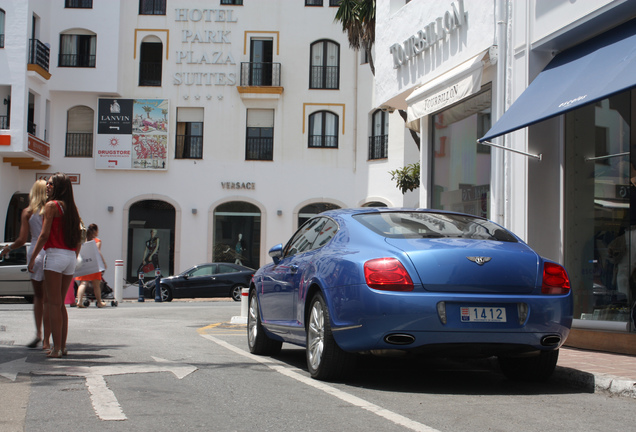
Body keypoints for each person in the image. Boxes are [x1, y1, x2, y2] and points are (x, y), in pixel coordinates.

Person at [29, 173, 82, 359]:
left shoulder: (51, 206)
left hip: (54, 255)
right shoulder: (71, 209)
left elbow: (44, 235)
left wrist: (32, 257)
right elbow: (79, 236)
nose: (48, 186)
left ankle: (57, 348)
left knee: (52, 304)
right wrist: (73, 256)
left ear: (58, 187)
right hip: (69, 256)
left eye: (51, 184)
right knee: (61, 305)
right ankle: (63, 346)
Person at [1, 180, 50, 350]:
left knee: (38, 296)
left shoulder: (27, 212)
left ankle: (38, 333)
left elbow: (22, 239)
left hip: (34, 252)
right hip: (50, 251)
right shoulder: (51, 210)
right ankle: (48, 339)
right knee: (51, 299)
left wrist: (8, 248)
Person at [75, 224, 107, 308]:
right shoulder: (97, 241)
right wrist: (103, 262)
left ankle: (79, 301)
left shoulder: (83, 240)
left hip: (84, 263)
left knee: (83, 283)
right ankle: (99, 302)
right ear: (95, 231)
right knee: (96, 284)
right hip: (94, 264)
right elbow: (98, 252)